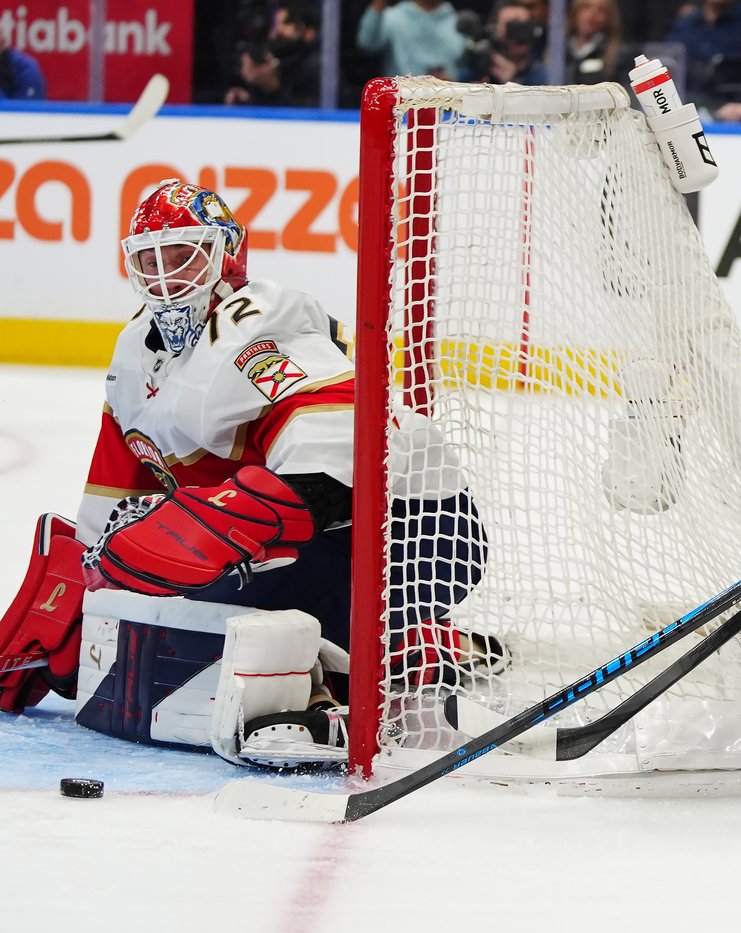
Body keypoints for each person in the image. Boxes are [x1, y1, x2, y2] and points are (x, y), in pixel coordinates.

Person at [0, 180, 503, 767]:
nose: (165, 273)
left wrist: (234, 520)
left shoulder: (261, 320)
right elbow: (115, 494)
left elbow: (331, 455)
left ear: (226, 254)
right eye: (149, 258)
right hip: (308, 540)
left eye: (183, 254)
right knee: (152, 582)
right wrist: (85, 594)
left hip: (417, 531)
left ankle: (338, 675)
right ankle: (407, 645)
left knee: (209, 578)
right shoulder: (134, 353)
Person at [357, 0, 467, 79]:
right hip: (400, 105)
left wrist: (453, 84)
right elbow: (367, 44)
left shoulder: (460, 23)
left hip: (448, 105)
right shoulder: (393, 17)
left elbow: (466, 68)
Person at [565, 0, 623, 85]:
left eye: (601, 10)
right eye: (586, 7)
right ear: (575, 11)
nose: (592, 15)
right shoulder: (559, 50)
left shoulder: (617, 57)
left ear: (609, 18)